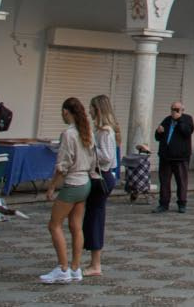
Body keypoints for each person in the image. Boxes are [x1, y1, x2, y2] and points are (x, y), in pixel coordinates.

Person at [39, 97, 95, 284]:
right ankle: (75, 267)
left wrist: (52, 186)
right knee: (75, 226)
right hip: (85, 181)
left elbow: (62, 165)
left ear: (65, 112)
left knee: (54, 225)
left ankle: (63, 268)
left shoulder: (68, 134)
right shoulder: (86, 131)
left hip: (72, 182)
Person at [82, 95, 119, 277]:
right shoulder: (102, 130)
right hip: (100, 176)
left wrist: (89, 149)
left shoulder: (104, 131)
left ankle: (95, 263)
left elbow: (107, 157)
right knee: (92, 217)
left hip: (101, 177)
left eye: (91, 107)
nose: (89, 111)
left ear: (97, 109)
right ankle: (92, 260)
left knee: (95, 218)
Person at [152, 101, 194, 214]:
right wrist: (158, 131)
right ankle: (163, 204)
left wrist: (179, 119)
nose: (174, 112)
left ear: (182, 110)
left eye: (177, 109)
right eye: (172, 109)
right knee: (164, 181)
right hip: (166, 156)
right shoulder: (167, 120)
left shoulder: (187, 119)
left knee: (181, 181)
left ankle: (182, 203)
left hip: (180, 157)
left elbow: (187, 132)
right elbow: (157, 137)